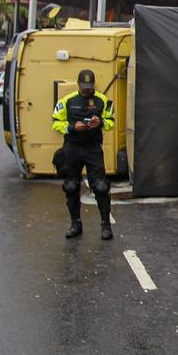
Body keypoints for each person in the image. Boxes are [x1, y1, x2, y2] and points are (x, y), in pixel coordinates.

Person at [51, 68, 116, 240]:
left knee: (101, 187)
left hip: (93, 147)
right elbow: (56, 123)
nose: (86, 89)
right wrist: (72, 127)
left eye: (89, 86)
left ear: (93, 84)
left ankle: (106, 226)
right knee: (71, 186)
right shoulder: (67, 101)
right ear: (78, 84)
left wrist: (100, 122)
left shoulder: (103, 101)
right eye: (84, 86)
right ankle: (75, 224)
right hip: (72, 147)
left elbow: (111, 122)